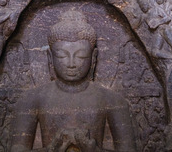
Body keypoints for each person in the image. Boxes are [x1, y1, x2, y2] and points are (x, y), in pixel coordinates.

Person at [11, 10, 136, 152]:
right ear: (50, 57)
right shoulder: (31, 99)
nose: (71, 63)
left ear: (93, 57)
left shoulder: (112, 101)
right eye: (62, 56)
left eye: (81, 56)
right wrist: (50, 149)